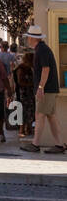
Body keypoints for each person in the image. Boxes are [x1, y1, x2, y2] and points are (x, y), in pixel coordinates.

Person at [24, 25, 63, 154]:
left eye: (28, 37)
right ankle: (59, 144)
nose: (27, 39)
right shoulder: (42, 49)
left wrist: (41, 87)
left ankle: (35, 144)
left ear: (32, 38)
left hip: (46, 89)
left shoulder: (41, 50)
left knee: (39, 115)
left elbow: (46, 69)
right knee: (51, 116)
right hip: (49, 89)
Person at [13, 49, 38, 140]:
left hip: (29, 94)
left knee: (30, 111)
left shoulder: (29, 68)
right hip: (23, 94)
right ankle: (22, 129)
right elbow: (20, 82)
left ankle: (28, 128)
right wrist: (32, 84)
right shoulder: (22, 68)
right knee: (22, 111)